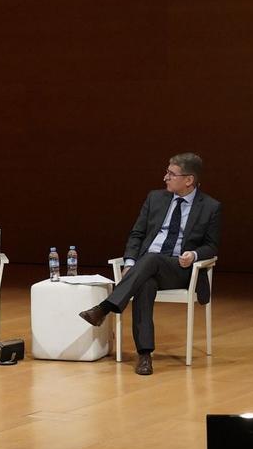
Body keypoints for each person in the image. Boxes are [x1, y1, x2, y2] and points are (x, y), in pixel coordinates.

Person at [79, 153, 221, 375]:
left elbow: (211, 246)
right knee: (145, 284)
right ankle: (144, 355)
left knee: (152, 258)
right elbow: (137, 234)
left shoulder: (210, 207)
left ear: (189, 180)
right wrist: (130, 262)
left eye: (171, 174)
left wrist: (194, 255)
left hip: (180, 269)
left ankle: (104, 308)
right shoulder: (155, 198)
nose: (165, 177)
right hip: (147, 268)